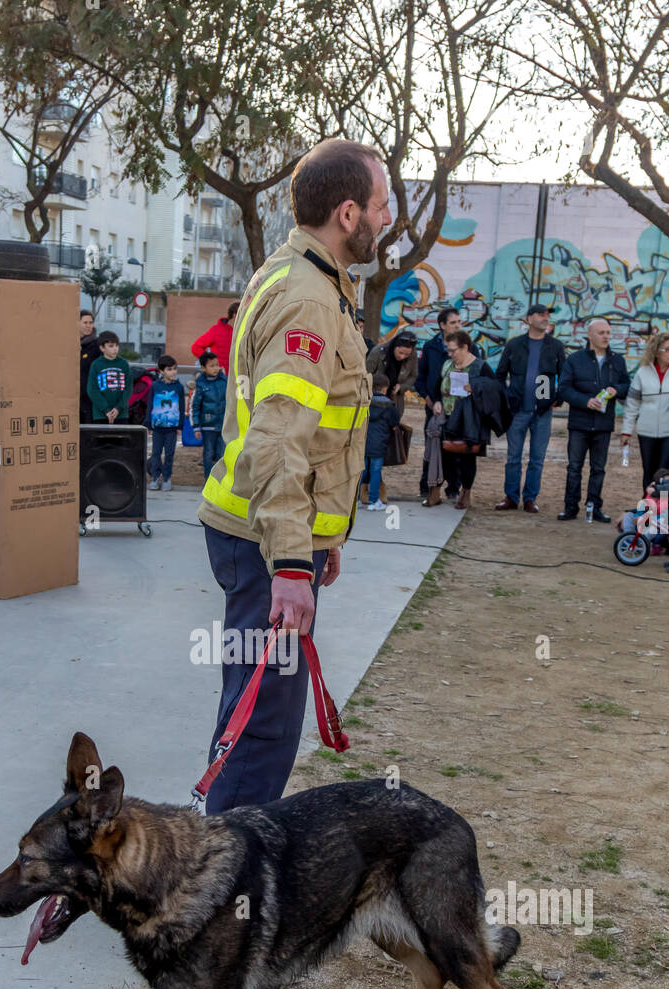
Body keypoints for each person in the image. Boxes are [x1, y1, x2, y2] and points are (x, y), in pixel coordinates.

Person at [197, 138, 389, 812]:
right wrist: (290, 564)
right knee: (262, 729)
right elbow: (280, 438)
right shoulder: (309, 299)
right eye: (381, 204)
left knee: (257, 714)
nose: (387, 218)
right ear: (346, 213)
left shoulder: (294, 275)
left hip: (270, 535)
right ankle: (228, 894)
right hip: (263, 543)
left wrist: (317, 541)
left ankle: (226, 879)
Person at [494, 303, 566, 513]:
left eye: (547, 315)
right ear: (529, 319)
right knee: (513, 457)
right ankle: (510, 497)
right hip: (517, 410)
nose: (545, 318)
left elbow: (564, 377)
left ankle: (530, 499)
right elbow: (500, 375)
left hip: (542, 411)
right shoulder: (515, 345)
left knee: (537, 458)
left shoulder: (555, 346)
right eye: (541, 314)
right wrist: (506, 397)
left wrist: (557, 398)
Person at [557, 318, 630, 522]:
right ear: (589, 335)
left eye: (608, 332)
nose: (606, 336)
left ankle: (594, 507)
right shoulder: (574, 360)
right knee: (574, 467)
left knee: (598, 468)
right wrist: (585, 401)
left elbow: (626, 385)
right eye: (601, 333)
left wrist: (617, 389)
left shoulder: (617, 360)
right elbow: (563, 389)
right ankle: (570, 508)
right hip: (579, 423)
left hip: (603, 425)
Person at [413, 307, 481, 499]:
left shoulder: (470, 347)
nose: (458, 325)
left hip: (459, 408)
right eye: (453, 322)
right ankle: (428, 487)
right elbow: (422, 377)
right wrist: (429, 399)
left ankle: (453, 488)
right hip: (435, 407)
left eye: (459, 322)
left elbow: (477, 375)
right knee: (432, 448)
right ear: (442, 325)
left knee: (456, 450)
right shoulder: (430, 347)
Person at [432, 330, 498, 510]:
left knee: (468, 458)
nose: (450, 354)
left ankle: (465, 492)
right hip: (448, 416)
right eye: (448, 350)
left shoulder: (480, 366)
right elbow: (436, 387)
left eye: (453, 350)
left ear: (465, 348)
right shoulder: (447, 365)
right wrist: (437, 400)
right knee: (445, 456)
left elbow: (495, 388)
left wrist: (475, 387)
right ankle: (440, 489)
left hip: (470, 420)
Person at [620, 330, 669, 488]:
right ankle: (648, 507)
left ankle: (663, 510)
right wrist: (626, 431)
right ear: (656, 351)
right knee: (649, 472)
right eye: (667, 349)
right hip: (646, 432)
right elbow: (632, 404)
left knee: (665, 474)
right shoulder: (642, 372)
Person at [145, 355, 186, 491]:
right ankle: (155, 478)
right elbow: (150, 405)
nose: (173, 372)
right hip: (157, 427)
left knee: (169, 454)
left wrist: (180, 425)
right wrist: (148, 423)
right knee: (156, 453)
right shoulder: (155, 386)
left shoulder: (179, 387)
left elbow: (181, 407)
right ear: (161, 371)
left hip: (172, 428)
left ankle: (167, 478)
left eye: (175, 369)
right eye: (169, 369)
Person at [191, 350, 227, 480]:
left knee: (221, 455)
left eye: (217, 365)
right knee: (208, 454)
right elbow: (195, 406)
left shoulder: (225, 380)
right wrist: (196, 426)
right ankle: (208, 480)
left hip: (222, 425)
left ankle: (219, 482)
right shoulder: (200, 384)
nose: (215, 368)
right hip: (207, 426)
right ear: (203, 368)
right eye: (211, 366)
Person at [365, 330, 418, 421]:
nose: (402, 357)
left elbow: (413, 376)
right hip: (375, 398)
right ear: (394, 346)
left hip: (396, 399)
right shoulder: (378, 352)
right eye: (400, 353)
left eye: (406, 354)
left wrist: (402, 387)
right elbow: (366, 375)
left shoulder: (412, 355)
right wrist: (377, 387)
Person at [362, 372, 395, 510]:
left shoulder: (364, 402)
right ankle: (374, 501)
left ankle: (357, 499)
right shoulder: (389, 406)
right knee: (375, 472)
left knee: (362, 471)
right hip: (379, 444)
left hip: (363, 443)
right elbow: (394, 422)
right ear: (385, 388)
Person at [87, 331, 132, 424]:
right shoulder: (96, 365)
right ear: (102, 348)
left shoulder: (124, 364)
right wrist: (106, 410)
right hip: (100, 415)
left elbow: (128, 389)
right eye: (111, 346)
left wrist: (118, 408)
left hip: (121, 414)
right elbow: (92, 390)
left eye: (116, 346)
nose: (115, 349)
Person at [191, 303, 240, 373]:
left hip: (237, 378)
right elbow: (196, 347)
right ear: (235, 315)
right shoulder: (217, 330)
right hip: (219, 378)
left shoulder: (244, 332)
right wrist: (210, 362)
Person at [79, 310, 99, 424]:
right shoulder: (71, 343)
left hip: (90, 400)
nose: (88, 326)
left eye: (90, 323)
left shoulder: (96, 346)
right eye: (85, 322)